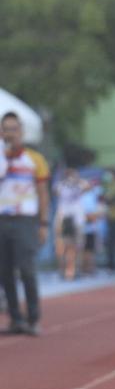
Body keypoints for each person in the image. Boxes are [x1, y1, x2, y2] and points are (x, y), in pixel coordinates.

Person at [0, 112, 50, 336]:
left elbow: (42, 193)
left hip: (25, 220)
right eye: (5, 129)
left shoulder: (35, 159)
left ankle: (33, 318)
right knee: (4, 272)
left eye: (13, 128)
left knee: (27, 269)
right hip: (2, 219)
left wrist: (43, 223)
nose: (10, 133)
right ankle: (15, 319)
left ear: (21, 131)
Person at [53, 167, 91, 280]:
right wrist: (65, 181)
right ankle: (62, 270)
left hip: (77, 219)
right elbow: (55, 191)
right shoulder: (61, 185)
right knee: (62, 246)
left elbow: (88, 187)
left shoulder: (80, 184)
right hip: (63, 218)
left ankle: (75, 270)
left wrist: (76, 181)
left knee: (77, 246)